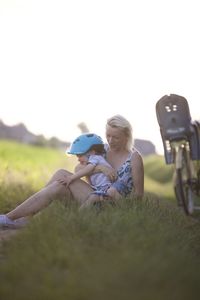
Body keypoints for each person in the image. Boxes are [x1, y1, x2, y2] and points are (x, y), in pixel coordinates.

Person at [0, 114, 144, 228]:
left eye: (116, 137)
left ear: (126, 136)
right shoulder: (103, 149)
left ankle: (11, 218)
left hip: (107, 203)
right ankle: (20, 218)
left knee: (59, 184)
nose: (111, 140)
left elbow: (138, 195)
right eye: (108, 136)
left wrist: (115, 200)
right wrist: (101, 168)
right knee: (61, 174)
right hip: (91, 192)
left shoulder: (134, 158)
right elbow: (78, 168)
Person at [64, 133, 126, 209]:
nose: (78, 159)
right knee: (93, 198)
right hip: (103, 188)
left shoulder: (95, 158)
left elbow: (88, 170)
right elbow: (89, 179)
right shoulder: (91, 160)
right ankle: (80, 214)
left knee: (110, 193)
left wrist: (71, 178)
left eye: (80, 156)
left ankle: (125, 207)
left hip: (111, 186)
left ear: (92, 152)